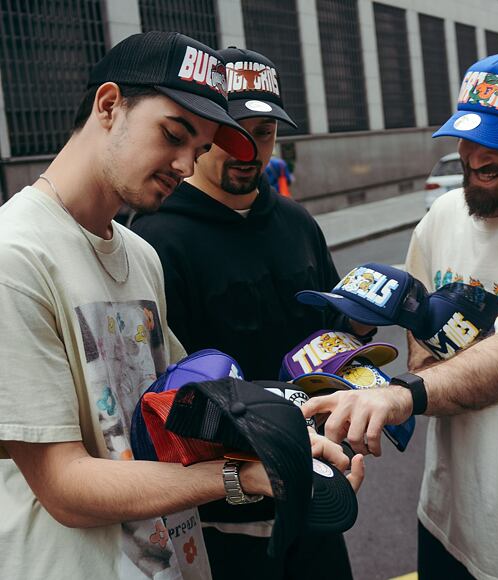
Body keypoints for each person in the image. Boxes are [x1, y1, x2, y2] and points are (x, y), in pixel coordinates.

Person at [0, 32, 362, 580]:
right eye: (173, 134)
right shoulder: (16, 255)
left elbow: (190, 403)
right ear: (108, 105)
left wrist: (289, 438)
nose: (185, 166)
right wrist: (245, 474)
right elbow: (63, 487)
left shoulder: (141, 254)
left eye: (197, 149)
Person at [302, 50, 498, 580]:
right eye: (468, 135)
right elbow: (423, 351)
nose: (475, 157)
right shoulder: (445, 214)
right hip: (443, 517)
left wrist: (402, 396)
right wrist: (388, 378)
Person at [131, 47, 370, 580]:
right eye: (232, 131)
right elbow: (159, 398)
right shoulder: (152, 237)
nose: (249, 150)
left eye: (263, 132)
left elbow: (332, 338)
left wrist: (358, 326)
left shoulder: (298, 222)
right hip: (220, 520)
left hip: (314, 496)